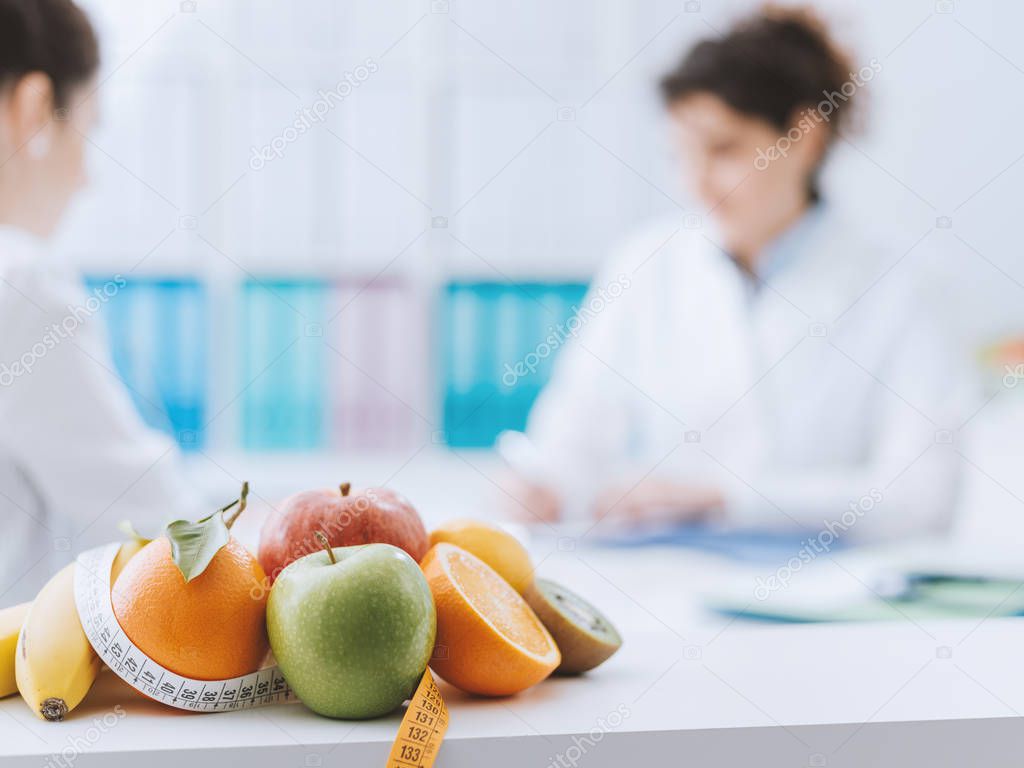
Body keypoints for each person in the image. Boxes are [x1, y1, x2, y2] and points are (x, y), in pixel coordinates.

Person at [512, 8, 972, 541]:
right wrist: (541, 486)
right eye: (679, 155)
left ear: (803, 137)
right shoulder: (645, 265)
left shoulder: (906, 288)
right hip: (663, 587)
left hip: (839, 608)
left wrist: (724, 498)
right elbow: (572, 440)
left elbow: (920, 501)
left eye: (723, 149)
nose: (696, 183)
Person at [0, 0, 197, 600]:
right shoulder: (19, 283)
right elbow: (173, 544)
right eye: (88, 128)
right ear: (37, 109)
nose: (86, 174)